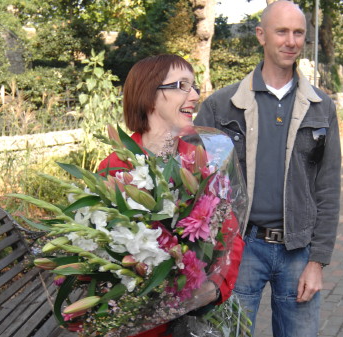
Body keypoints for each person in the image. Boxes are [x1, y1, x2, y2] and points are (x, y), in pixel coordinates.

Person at [194, 1, 341, 336]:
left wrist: (317, 262)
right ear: (261, 35)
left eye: (298, 33)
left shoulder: (322, 108)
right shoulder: (220, 106)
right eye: (282, 32)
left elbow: (329, 189)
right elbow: (196, 185)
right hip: (241, 249)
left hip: (298, 252)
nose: (291, 41)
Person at [98, 54, 245, 337]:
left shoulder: (201, 161)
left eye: (195, 87)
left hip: (191, 320)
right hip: (135, 325)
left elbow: (230, 235)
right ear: (150, 95)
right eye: (182, 85)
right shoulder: (115, 168)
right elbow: (101, 248)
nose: (194, 96)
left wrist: (214, 287)